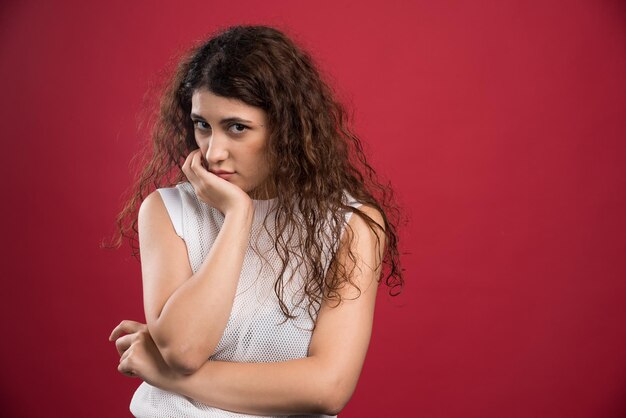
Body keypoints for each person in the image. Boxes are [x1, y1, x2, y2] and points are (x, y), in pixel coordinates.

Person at [107, 24, 404, 417]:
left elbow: (327, 388)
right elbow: (182, 349)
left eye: (237, 128)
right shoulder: (168, 212)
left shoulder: (351, 227)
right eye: (202, 125)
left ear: (287, 129)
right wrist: (238, 216)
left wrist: (167, 377)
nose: (213, 153)